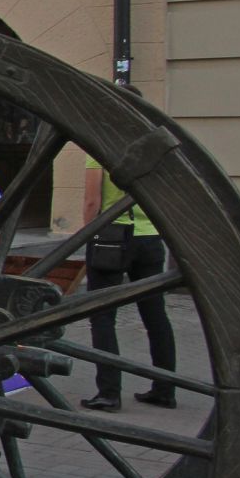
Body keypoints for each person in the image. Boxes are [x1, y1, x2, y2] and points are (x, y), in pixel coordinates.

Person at [80, 148, 176, 412]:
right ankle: (165, 389)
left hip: (111, 236)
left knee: (101, 315)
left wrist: (87, 237)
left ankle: (109, 393)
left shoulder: (99, 153)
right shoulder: (153, 157)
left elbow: (92, 201)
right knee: (155, 315)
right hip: (150, 237)